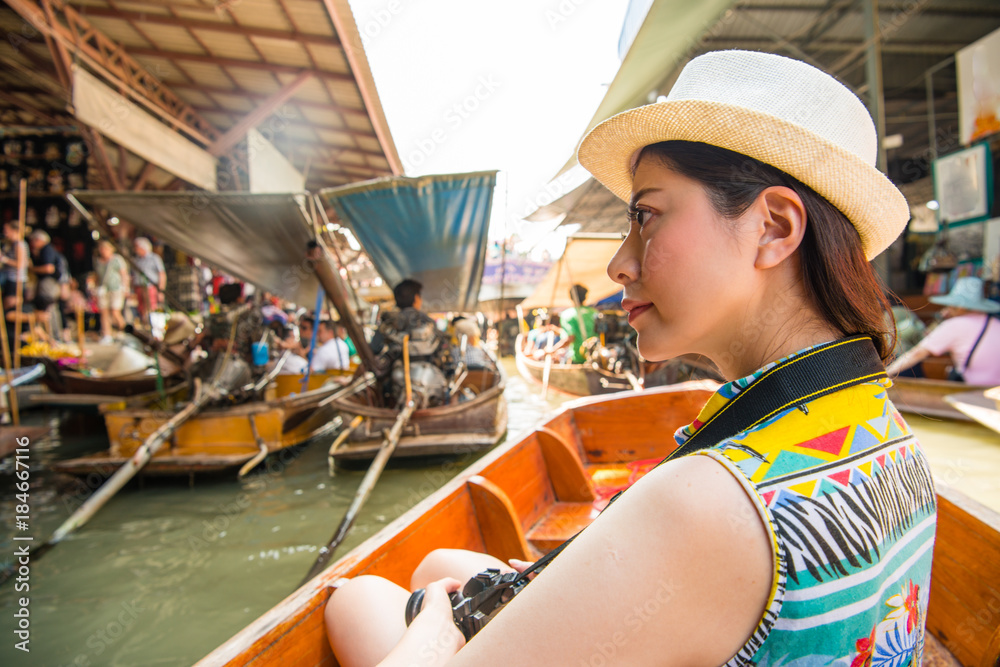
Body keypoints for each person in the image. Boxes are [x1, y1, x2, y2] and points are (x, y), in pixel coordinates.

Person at [324, 50, 937, 666]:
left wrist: (435, 634)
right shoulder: (887, 429)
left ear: (773, 228)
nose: (621, 262)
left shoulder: (708, 501)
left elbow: (701, 526)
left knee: (358, 600)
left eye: (646, 216)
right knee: (443, 564)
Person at [886, 276, 1000, 385]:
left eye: (950, 305)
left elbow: (917, 353)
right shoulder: (995, 322)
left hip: (976, 390)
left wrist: (886, 373)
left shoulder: (954, 325)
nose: (948, 309)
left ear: (959, 307)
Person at [93, 240, 129, 343]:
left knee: (115, 312)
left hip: (116, 288)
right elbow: (97, 276)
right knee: (104, 312)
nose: (103, 251)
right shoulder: (98, 261)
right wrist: (95, 289)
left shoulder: (117, 259)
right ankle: (107, 335)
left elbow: (124, 274)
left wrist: (125, 288)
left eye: (105, 249)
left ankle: (124, 332)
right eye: (101, 249)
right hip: (103, 289)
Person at [560, 284, 598, 363]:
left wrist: (551, 350)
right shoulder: (594, 312)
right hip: (596, 357)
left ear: (571, 297)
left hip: (578, 359)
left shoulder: (567, 314)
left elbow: (570, 338)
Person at [132, 237, 166, 323]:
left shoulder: (154, 258)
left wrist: (161, 290)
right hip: (139, 286)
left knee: (151, 307)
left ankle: (153, 325)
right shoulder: (136, 259)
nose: (135, 249)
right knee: (141, 308)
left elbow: (161, 274)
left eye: (137, 247)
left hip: (150, 287)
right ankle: (145, 324)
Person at [0, 222, 27, 310]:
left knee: (10, 307)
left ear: (14, 230)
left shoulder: (19, 244)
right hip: (9, 278)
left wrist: (4, 259)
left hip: (15, 279)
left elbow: (20, 264)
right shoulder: (10, 244)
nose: (4, 232)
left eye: (6, 230)